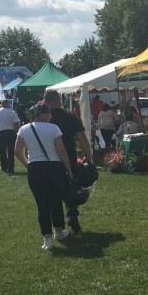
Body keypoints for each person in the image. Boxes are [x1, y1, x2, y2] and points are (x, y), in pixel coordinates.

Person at [14, 102, 73, 250]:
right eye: (48, 113)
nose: (51, 116)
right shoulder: (53, 128)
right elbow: (61, 150)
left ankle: (47, 238)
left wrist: (28, 165)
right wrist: (69, 169)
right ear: (43, 114)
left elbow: (17, 150)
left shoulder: (24, 129)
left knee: (42, 205)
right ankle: (58, 231)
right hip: (54, 167)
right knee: (56, 201)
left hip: (36, 168)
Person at [44, 90, 94, 234]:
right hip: (70, 158)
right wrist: (89, 158)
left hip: (49, 159)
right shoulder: (70, 116)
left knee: (54, 193)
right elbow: (82, 138)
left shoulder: (43, 118)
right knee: (72, 188)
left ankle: (58, 226)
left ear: (45, 101)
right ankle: (72, 216)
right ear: (59, 100)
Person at [0, 99, 21, 173]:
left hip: (0, 132)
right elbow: (16, 124)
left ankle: (4, 166)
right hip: (10, 132)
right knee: (11, 150)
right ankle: (11, 167)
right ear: (7, 104)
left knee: (2, 150)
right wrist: (16, 132)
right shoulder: (12, 112)